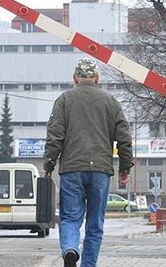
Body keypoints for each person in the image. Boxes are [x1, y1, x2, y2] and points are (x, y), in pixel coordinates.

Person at [43, 57, 134, 267]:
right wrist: (125, 168)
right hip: (101, 170)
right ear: (97, 78)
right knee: (95, 224)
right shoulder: (111, 102)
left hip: (72, 169)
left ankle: (70, 249)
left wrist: (49, 165)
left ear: (75, 78)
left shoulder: (64, 100)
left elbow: (54, 136)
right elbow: (124, 139)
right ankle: (88, 264)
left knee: (70, 218)